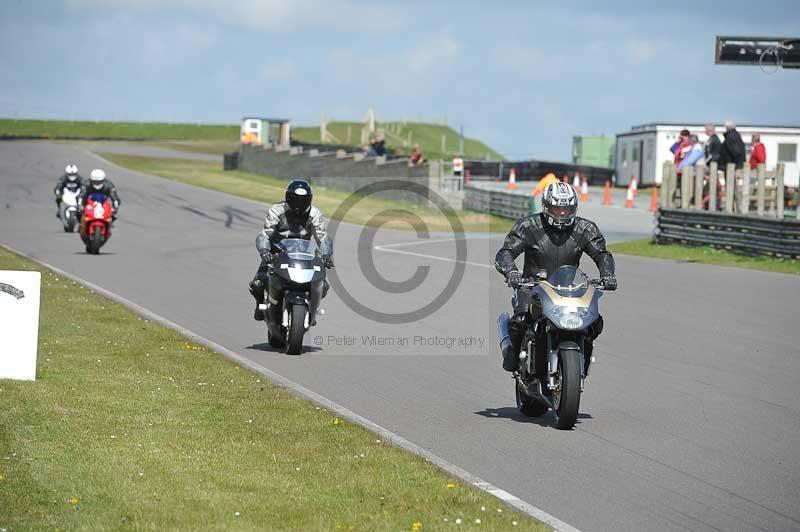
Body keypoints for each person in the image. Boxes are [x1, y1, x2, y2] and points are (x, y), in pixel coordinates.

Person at [495, 182, 617, 372]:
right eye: (557, 208)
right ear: (546, 207)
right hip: (531, 286)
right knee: (520, 321)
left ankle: (580, 362)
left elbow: (602, 254)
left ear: (575, 207)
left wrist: (607, 274)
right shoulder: (529, 226)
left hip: (567, 288)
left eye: (567, 208)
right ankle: (513, 353)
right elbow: (506, 252)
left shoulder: (585, 228)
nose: (562, 213)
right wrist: (512, 272)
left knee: (594, 321)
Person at [249, 179, 333, 321]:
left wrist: (325, 254)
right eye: (296, 199)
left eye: (303, 200)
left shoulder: (314, 213)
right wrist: (264, 251)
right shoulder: (277, 210)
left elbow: (323, 237)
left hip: (303, 255)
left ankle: (311, 308)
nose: (299, 204)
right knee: (258, 282)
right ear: (288, 198)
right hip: (275, 253)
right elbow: (265, 234)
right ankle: (260, 304)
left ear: (309, 200)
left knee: (323, 285)